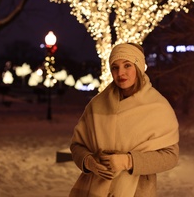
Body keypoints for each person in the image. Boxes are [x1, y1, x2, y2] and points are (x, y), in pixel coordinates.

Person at [69, 43, 179, 197]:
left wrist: (128, 161)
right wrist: (88, 161)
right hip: (94, 190)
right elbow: (77, 145)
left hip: (137, 191)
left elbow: (170, 156)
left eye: (127, 65)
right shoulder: (97, 105)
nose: (121, 73)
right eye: (115, 67)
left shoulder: (158, 106)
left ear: (138, 67)